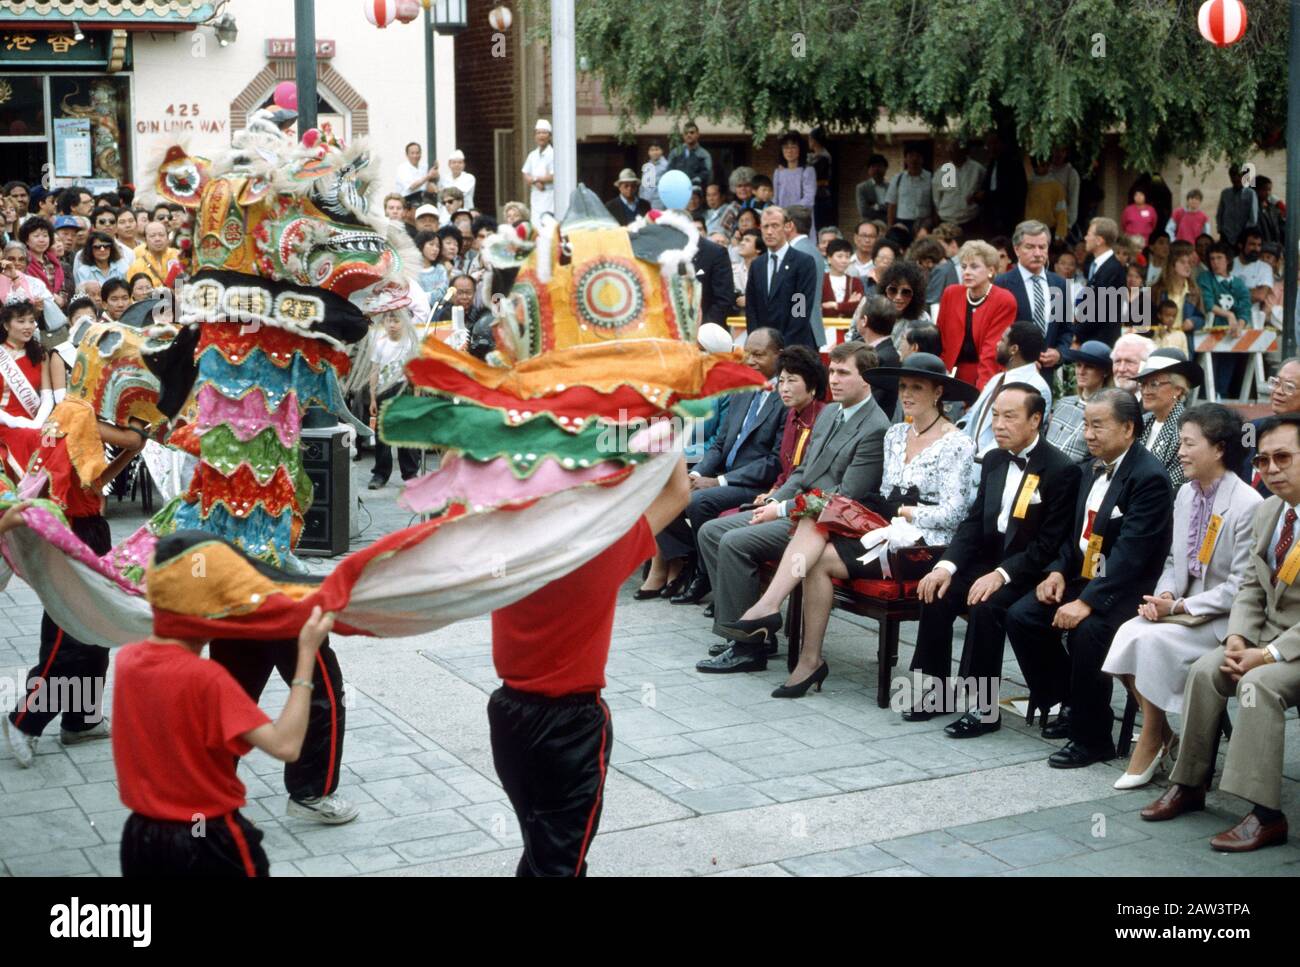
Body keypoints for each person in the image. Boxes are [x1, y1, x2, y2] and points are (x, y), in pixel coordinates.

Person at [95, 529, 336, 876]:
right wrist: (306, 655)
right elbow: (285, 744)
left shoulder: (129, 661)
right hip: (205, 835)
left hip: (142, 836)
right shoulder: (206, 680)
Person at [489, 459, 689, 875]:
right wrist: (670, 427)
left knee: (542, 843)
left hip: (508, 717)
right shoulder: (604, 548)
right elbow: (678, 494)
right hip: (572, 728)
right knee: (558, 860)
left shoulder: (501, 545)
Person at [735, 353, 976, 694]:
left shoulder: (957, 442)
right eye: (903, 387)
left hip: (926, 545)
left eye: (916, 388)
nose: (906, 394)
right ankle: (808, 659)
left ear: (938, 392)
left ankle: (769, 610)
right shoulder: (894, 435)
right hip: (885, 531)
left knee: (817, 535)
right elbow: (883, 493)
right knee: (815, 523)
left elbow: (955, 515)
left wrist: (907, 513)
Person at [1139, 415, 1300, 851]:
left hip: (1293, 647)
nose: (1272, 468)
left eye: (1284, 457)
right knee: (1206, 670)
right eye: (1264, 459)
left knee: (1259, 686)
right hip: (1263, 637)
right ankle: (1190, 783)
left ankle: (1266, 814)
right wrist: (1238, 638)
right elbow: (1249, 584)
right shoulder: (1271, 510)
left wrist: (1266, 656)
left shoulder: (1254, 505)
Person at [694, 342, 891, 674]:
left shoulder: (875, 428)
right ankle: (754, 631)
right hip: (797, 508)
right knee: (711, 532)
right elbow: (802, 470)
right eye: (833, 372)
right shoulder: (831, 412)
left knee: (735, 541)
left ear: (867, 380)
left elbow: (845, 497)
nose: (836, 380)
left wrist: (783, 509)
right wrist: (774, 500)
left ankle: (747, 648)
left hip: (825, 524)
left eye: (844, 373)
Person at [1004, 388, 1174, 767]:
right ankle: (1070, 701)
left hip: (1127, 588)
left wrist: (1087, 601)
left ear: (1128, 427)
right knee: (1022, 615)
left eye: (1098, 426)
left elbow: (1131, 556)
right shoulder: (1089, 468)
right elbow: (1072, 535)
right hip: (1084, 573)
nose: (1088, 434)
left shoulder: (1148, 478)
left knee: (1088, 632)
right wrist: (1058, 572)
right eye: (1085, 424)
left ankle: (1093, 737)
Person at [1103, 403, 1260, 789]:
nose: (1180, 453)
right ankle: (1162, 735)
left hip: (1222, 620)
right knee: (1125, 632)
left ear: (1219, 449)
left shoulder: (1248, 505)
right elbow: (1175, 558)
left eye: (1189, 444)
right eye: (1180, 443)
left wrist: (1178, 605)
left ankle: (1152, 738)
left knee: (1149, 641)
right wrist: (1166, 593)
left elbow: (1240, 587)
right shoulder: (1187, 494)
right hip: (1183, 610)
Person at [913, 383, 1079, 732]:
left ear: (1036, 419)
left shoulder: (1061, 469)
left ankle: (982, 708)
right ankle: (935, 691)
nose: (999, 424)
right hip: (989, 559)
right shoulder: (993, 458)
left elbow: (1048, 544)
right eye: (995, 416)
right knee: (935, 589)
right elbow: (974, 523)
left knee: (986, 605)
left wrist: (1002, 574)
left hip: (1028, 569)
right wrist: (946, 566)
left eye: (1010, 417)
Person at [651, 329, 784, 603]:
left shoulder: (784, 396)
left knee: (698, 502)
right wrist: (698, 472)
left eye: (759, 355)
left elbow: (773, 461)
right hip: (721, 472)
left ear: (778, 356)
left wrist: (720, 481)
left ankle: (705, 574)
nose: (752, 361)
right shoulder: (743, 390)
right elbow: (720, 444)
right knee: (663, 490)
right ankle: (690, 556)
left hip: (753, 485)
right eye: (748, 354)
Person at [961, 321, 1052, 458]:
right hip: (969, 460)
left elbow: (1016, 436)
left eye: (1002, 340)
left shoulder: (1038, 388)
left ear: (1013, 349)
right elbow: (973, 416)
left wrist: (978, 461)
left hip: (997, 467)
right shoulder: (996, 379)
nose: (997, 344)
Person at [995, 219, 1072, 379]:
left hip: (1047, 374)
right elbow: (996, 334)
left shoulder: (1060, 285)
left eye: (1042, 247)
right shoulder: (1002, 283)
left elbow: (1066, 330)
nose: (1037, 253)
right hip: (1012, 373)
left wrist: (1059, 353)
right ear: (1016, 250)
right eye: (1030, 247)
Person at [936, 239, 1018, 389]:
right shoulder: (951, 293)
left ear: (991, 270)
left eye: (974, 267)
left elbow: (992, 352)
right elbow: (939, 338)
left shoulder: (1004, 300)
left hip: (984, 376)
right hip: (947, 373)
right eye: (964, 267)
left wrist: (982, 394)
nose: (966, 272)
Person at [743, 206, 819, 350]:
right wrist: (757, 342)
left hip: (793, 347)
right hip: (762, 349)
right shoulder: (757, 265)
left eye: (775, 226)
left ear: (788, 226)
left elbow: (800, 309)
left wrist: (782, 347)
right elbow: (751, 308)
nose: (769, 231)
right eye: (765, 226)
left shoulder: (803, 262)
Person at [0, 301, 56, 482]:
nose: (28, 326)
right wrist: (17, 422)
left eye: (31, 321)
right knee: (27, 436)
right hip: (5, 422)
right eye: (21, 321)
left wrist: (38, 422)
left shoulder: (39, 354)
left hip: (35, 420)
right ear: (7, 325)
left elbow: (47, 396)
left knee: (54, 437)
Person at [368, 308, 421, 490]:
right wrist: (373, 397)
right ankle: (380, 473)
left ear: (405, 322)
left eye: (397, 321)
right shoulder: (380, 345)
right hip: (384, 390)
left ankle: (411, 473)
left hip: (404, 389)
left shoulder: (410, 345)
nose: (392, 325)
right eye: (389, 321)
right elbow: (374, 371)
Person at [1135, 349, 1199, 487]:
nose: (1145, 391)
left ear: (1178, 389)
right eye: (1143, 383)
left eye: (1154, 384)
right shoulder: (1142, 422)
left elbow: (1171, 484)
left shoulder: (1187, 430)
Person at [1198, 241, 1254, 399]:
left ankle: (1222, 397)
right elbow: (1208, 304)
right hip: (1212, 331)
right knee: (1209, 372)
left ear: (1228, 259)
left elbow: (1245, 306)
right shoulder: (1206, 278)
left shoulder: (1237, 283)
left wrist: (1239, 324)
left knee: (1226, 371)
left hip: (1232, 333)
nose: (1215, 262)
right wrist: (1229, 315)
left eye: (1219, 258)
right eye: (1212, 258)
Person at [1047, 340, 1115, 462]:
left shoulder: (1108, 411)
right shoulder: (1063, 403)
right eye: (1078, 365)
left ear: (1105, 372)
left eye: (1089, 367)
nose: (1081, 371)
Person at [1075, 216, 1127, 346]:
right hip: (1090, 338)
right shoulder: (1096, 265)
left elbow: (1100, 310)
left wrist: (1075, 333)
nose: (1085, 238)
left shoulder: (1113, 269)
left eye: (1088, 234)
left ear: (1099, 240)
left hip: (1101, 342)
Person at [852, 294, 901, 416]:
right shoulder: (878, 352)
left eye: (857, 313)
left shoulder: (883, 359)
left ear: (864, 321)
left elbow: (867, 405)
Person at [931, 141, 984, 234]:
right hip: (946, 221)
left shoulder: (978, 169)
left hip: (970, 221)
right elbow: (936, 198)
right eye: (951, 151)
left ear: (965, 151)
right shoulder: (942, 171)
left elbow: (984, 191)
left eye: (957, 150)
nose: (954, 153)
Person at [20, 216, 69, 311]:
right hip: (34, 312)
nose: (42, 240)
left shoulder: (54, 262)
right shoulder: (23, 262)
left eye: (45, 236)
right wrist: (50, 297)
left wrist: (62, 299)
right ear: (26, 240)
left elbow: (63, 287)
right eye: (36, 236)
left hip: (58, 311)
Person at [772, 131, 816, 227]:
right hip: (782, 220)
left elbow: (809, 199)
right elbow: (775, 199)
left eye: (793, 147)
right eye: (786, 147)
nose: (789, 151)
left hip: (801, 220)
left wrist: (788, 211)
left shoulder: (807, 171)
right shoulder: (778, 173)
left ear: (800, 149)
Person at [885, 146, 933, 232]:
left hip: (924, 224)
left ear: (922, 159)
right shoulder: (897, 179)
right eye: (911, 156)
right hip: (902, 223)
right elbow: (892, 205)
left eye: (918, 156)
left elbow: (935, 204)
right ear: (905, 159)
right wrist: (890, 226)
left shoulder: (931, 178)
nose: (914, 159)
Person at [1024, 158, 1069, 240]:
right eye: (1036, 165)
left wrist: (1060, 234)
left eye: (1044, 165)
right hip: (1028, 230)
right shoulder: (1028, 184)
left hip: (1047, 230)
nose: (1040, 168)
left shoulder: (1056, 187)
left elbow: (1062, 212)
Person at [1215, 165, 1258, 249]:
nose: (1236, 179)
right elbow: (1220, 213)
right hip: (1226, 236)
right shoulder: (1225, 193)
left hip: (1243, 236)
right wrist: (1221, 229)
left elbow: (1253, 219)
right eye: (1233, 176)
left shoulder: (1250, 193)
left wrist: (1244, 234)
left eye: (1240, 176)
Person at [128, 220, 180, 289]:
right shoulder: (137, 266)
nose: (157, 239)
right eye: (152, 236)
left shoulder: (179, 256)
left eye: (161, 235)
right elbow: (132, 293)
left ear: (167, 237)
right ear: (145, 240)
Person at [521, 120, 555, 223]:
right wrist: (536, 182)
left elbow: (553, 176)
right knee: (535, 225)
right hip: (536, 195)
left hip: (550, 195)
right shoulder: (532, 155)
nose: (541, 136)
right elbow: (525, 173)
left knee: (548, 224)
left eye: (544, 133)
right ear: (535, 136)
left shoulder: (553, 153)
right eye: (538, 133)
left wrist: (535, 178)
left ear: (549, 136)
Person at [821, 238, 864, 318]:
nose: (844, 260)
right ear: (829, 259)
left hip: (847, 328)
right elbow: (818, 308)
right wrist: (847, 304)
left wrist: (834, 305)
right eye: (839, 256)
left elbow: (858, 307)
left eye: (847, 257)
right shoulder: (820, 281)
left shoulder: (855, 282)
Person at [666, 122, 712, 189]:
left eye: (692, 132)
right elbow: (669, 171)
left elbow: (707, 174)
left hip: (696, 191)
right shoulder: (675, 153)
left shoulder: (704, 154)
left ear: (698, 134)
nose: (688, 135)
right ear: (683, 135)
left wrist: (698, 179)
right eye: (686, 133)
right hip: (677, 189)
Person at [1111, 331, 1153, 396]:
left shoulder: (1158, 404)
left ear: (1146, 365)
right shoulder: (1106, 401)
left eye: (1129, 362)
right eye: (1117, 361)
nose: (1121, 369)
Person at [855, 154, 889, 222]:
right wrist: (884, 208)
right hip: (869, 224)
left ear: (885, 169)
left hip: (887, 224)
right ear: (868, 170)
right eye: (873, 166)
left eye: (879, 166)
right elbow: (864, 211)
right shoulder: (862, 188)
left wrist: (876, 207)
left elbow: (893, 209)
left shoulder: (890, 187)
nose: (876, 169)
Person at [640, 141, 668, 209]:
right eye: (652, 150)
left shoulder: (666, 166)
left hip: (660, 202)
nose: (654, 152)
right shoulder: (647, 166)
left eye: (657, 149)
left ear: (662, 151)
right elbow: (642, 186)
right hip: (645, 201)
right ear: (648, 152)